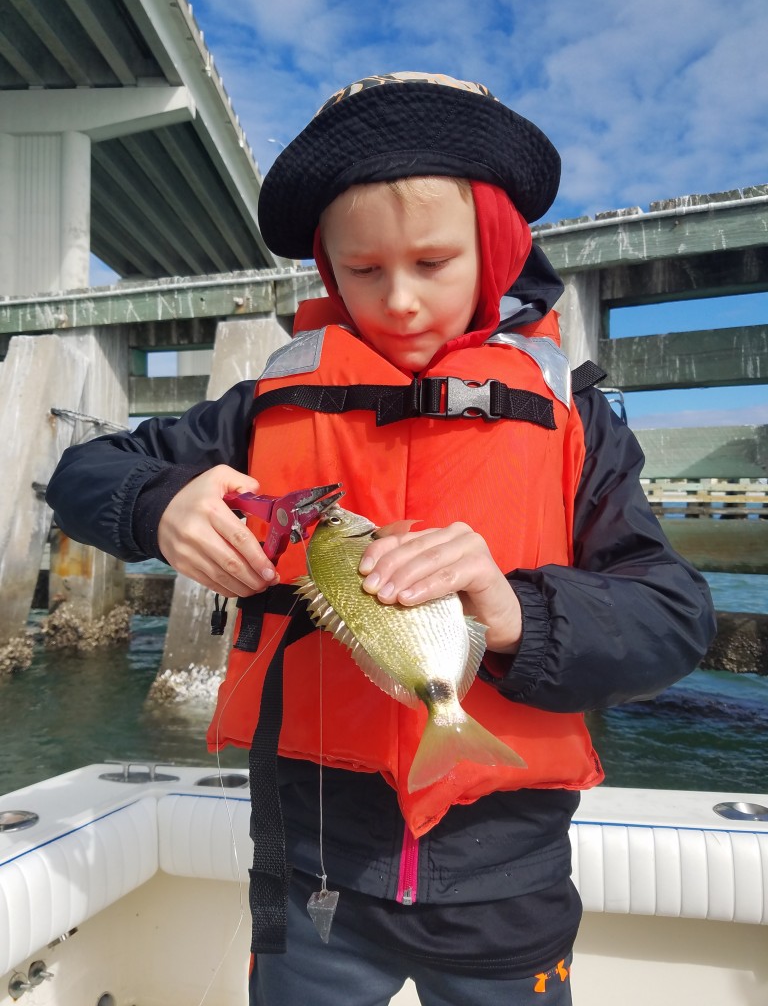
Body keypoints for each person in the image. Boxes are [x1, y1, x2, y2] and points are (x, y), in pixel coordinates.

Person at [46, 72, 716, 1005]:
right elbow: (83, 474)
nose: (398, 301)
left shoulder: (575, 418)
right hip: (307, 860)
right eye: (364, 272)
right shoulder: (264, 406)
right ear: (328, 270)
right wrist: (160, 499)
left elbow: (675, 613)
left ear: (495, 254)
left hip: (507, 882)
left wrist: (515, 609)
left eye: (433, 264)